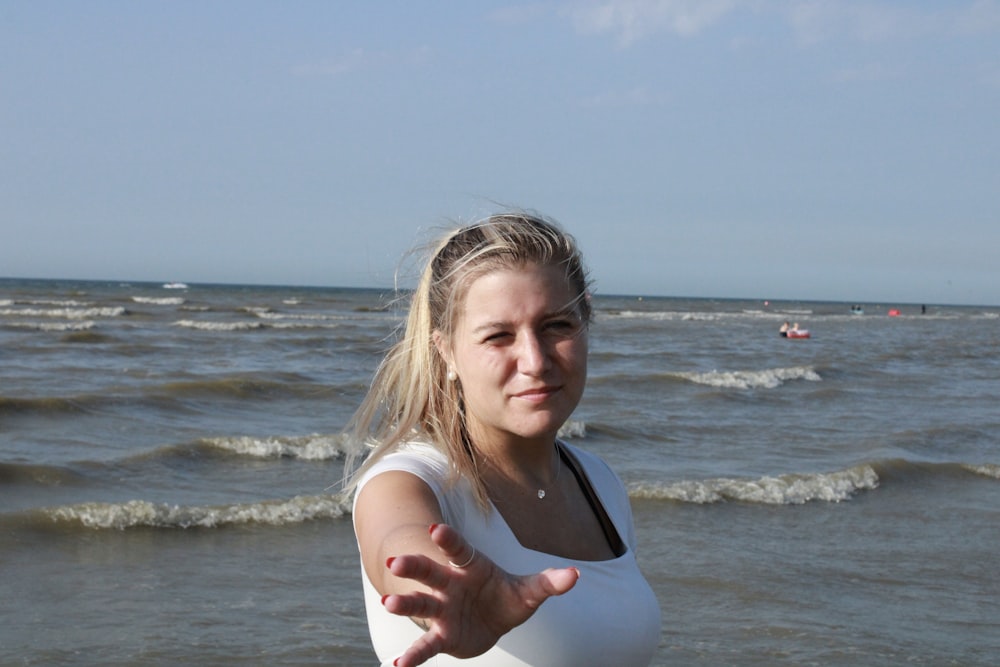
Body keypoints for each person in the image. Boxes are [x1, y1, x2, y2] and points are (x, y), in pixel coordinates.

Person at [344, 212, 661, 666]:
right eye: (498, 336)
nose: (534, 360)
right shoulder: (409, 479)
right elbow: (396, 543)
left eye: (557, 326)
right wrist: (447, 590)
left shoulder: (599, 483)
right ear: (446, 352)